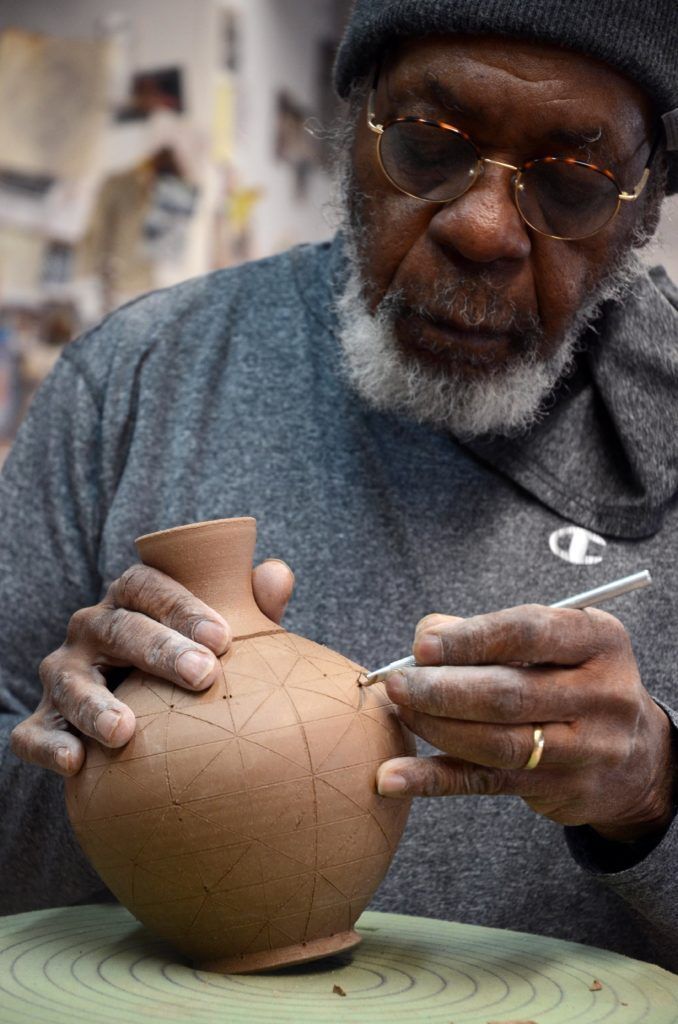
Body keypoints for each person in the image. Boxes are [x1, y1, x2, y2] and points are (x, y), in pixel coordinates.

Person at [2, 0, 678, 971]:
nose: (483, 227)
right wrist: (80, 748)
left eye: (572, 182)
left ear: (645, 208)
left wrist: (653, 793)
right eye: (428, 144)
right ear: (351, 120)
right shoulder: (136, 379)